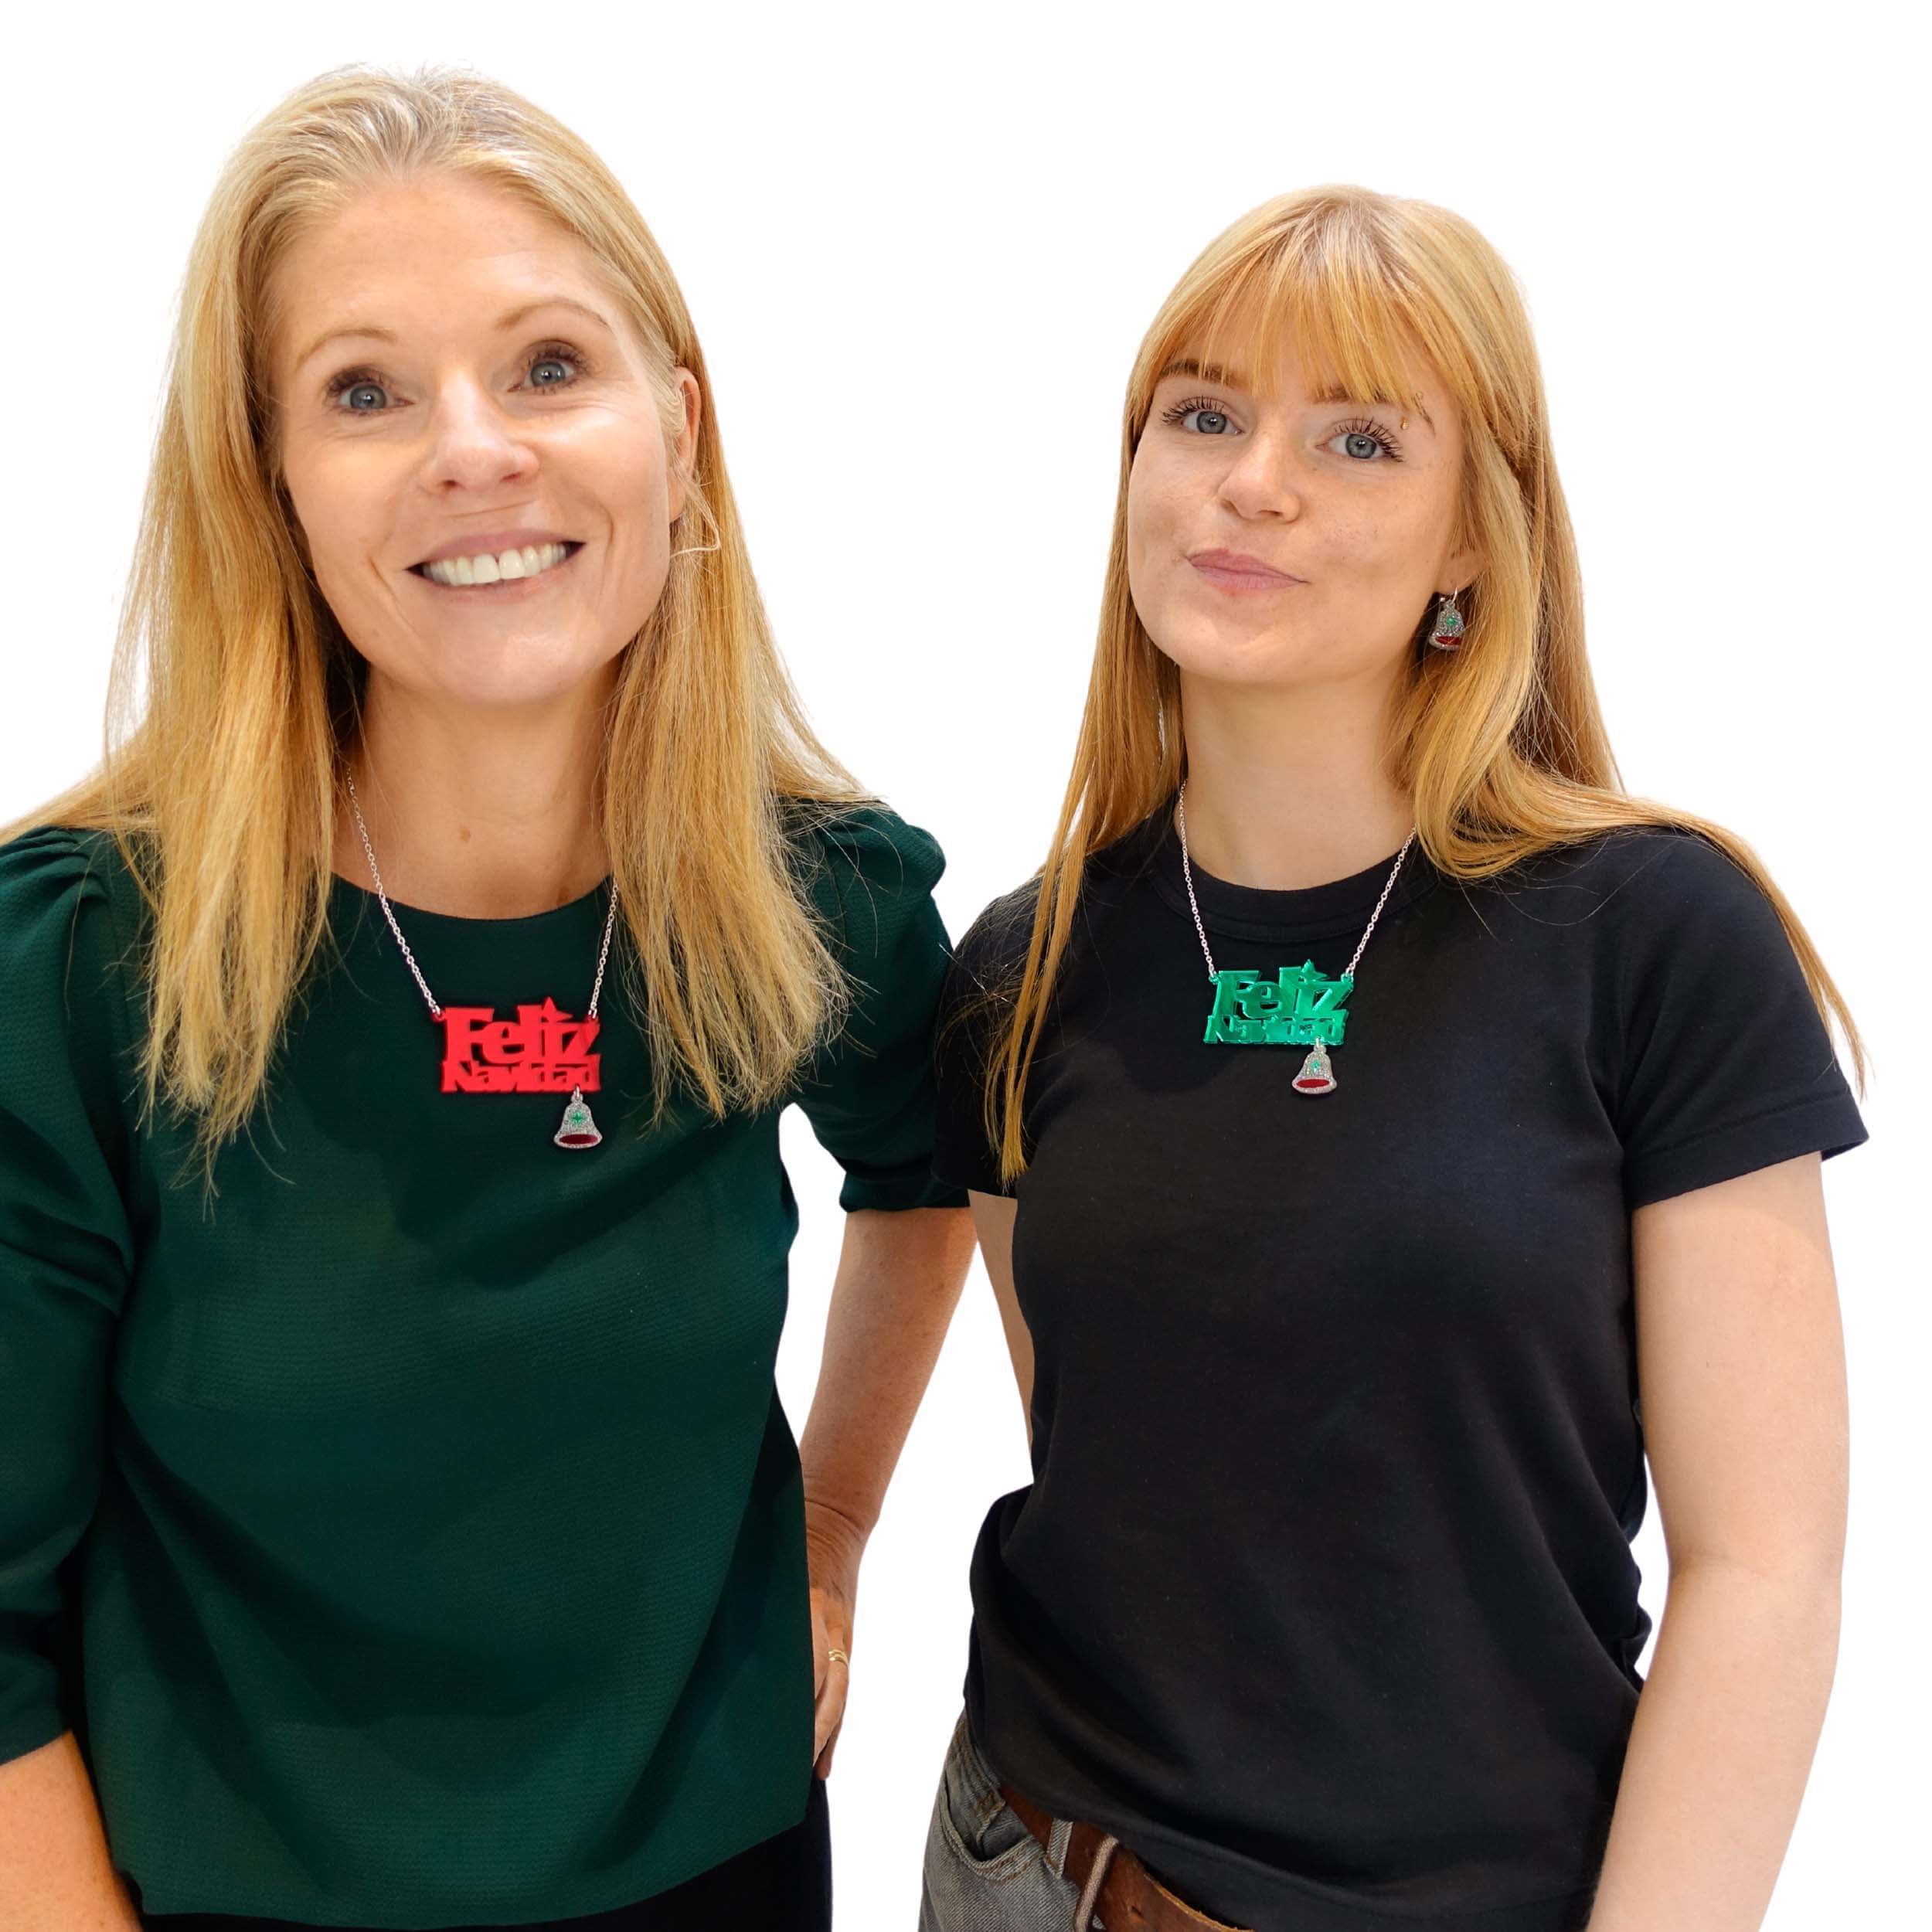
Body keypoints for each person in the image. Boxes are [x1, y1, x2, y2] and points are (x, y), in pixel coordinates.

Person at [0, 62, 975, 1930]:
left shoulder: (813, 901)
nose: (475, 448)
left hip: (723, 1871)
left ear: (676, 432)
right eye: (364, 390)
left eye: (546, 365)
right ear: (265, 476)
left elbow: (923, 1177)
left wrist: (833, 1539)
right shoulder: (83, 967)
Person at [916, 186, 1870, 1932]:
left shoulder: (1651, 934)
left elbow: (1763, 1570)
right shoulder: (1020, 966)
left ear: (1468, 544)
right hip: (1036, 1872)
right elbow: (1121, 1453)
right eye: (1201, 414)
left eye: (1356, 437)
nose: (1252, 479)